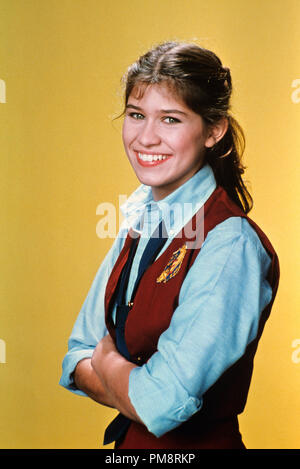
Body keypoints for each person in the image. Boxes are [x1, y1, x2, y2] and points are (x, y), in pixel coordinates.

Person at [59, 41, 280, 449]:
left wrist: (106, 361)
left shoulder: (230, 244)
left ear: (214, 131)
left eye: (171, 119)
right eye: (136, 115)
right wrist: (131, 386)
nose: (146, 137)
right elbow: (74, 358)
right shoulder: (138, 217)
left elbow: (159, 403)